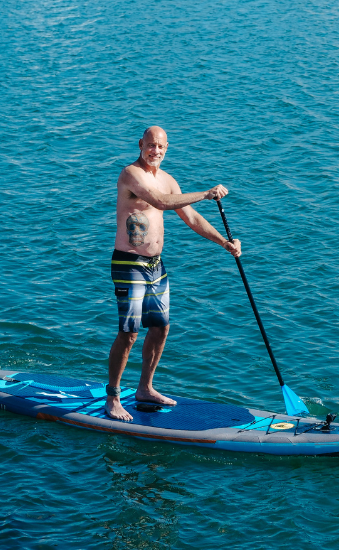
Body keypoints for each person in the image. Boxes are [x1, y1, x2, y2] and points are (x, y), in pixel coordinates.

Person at [106, 126, 242, 420]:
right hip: (129, 263)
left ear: (167, 149)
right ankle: (113, 397)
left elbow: (190, 217)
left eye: (161, 147)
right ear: (141, 144)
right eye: (151, 145)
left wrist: (225, 243)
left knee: (160, 328)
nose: (156, 151)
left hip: (156, 265)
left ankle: (145, 388)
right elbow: (160, 202)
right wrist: (206, 194)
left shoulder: (168, 180)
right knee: (129, 334)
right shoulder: (131, 174)